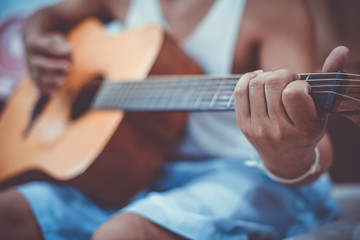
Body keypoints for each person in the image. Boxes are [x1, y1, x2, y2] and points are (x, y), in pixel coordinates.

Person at [0, 0, 349, 239]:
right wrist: (38, 40)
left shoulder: (269, 9)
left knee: (122, 234)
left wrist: (290, 151)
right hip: (139, 171)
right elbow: (49, 16)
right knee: (8, 212)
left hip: (248, 173)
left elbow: (316, 152)